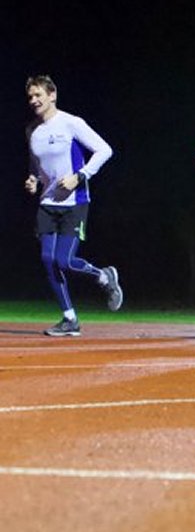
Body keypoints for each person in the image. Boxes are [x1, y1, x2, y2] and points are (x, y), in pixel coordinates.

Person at [24, 74, 123, 337]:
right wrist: (33, 180)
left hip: (74, 202)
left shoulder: (71, 123)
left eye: (38, 95)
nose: (34, 100)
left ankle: (103, 275)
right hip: (47, 203)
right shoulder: (32, 131)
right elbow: (36, 164)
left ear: (52, 95)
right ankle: (69, 318)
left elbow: (104, 150)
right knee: (48, 260)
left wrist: (80, 176)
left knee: (64, 260)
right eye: (30, 96)